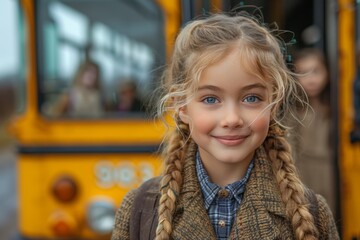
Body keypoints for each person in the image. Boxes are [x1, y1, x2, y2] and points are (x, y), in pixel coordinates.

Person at [111, 13, 339, 240]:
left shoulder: (313, 212)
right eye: (210, 99)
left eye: (251, 98)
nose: (232, 119)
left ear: (274, 104)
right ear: (181, 107)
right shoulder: (140, 210)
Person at [291, 48, 336, 215]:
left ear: (328, 73)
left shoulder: (334, 107)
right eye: (303, 73)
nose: (310, 79)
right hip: (303, 169)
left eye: (316, 71)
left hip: (329, 169)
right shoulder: (294, 110)